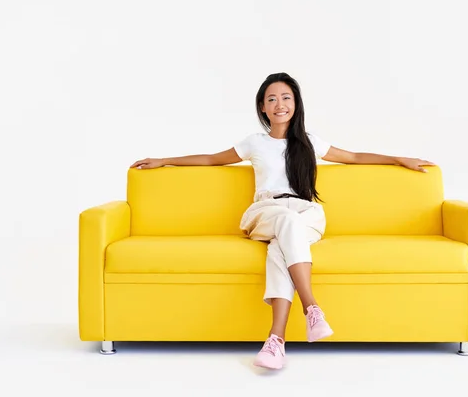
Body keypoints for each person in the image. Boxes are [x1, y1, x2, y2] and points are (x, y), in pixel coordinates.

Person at [130, 72, 435, 370]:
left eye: (286, 98)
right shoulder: (254, 142)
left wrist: (398, 158)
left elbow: (353, 157)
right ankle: (311, 306)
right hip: (265, 212)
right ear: (262, 107)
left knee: (281, 247)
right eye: (271, 99)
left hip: (307, 214)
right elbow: (211, 159)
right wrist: (165, 160)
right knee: (286, 222)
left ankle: (276, 341)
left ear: (296, 103)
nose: (279, 104)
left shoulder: (310, 142)